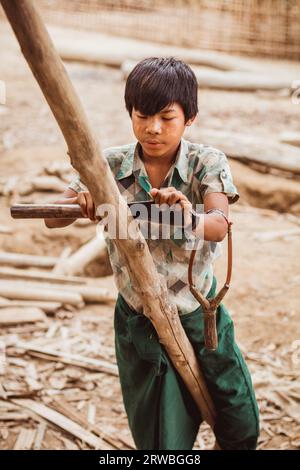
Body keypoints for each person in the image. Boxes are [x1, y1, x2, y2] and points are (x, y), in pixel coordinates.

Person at [45, 57, 259, 450]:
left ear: (189, 117)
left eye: (166, 117)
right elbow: (52, 220)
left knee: (238, 414)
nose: (153, 128)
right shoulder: (107, 164)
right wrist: (83, 198)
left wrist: (187, 215)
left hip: (199, 313)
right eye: (142, 115)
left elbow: (217, 224)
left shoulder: (205, 163)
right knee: (160, 434)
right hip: (137, 317)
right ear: (130, 113)